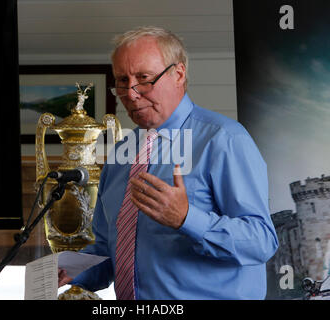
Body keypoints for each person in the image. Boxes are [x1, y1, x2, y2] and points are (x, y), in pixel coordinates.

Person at [59, 26, 279, 299]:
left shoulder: (224, 140)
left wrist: (186, 218)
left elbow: (261, 241)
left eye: (144, 78)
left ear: (178, 74)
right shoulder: (120, 154)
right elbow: (109, 249)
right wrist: (69, 269)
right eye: (122, 80)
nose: (132, 93)